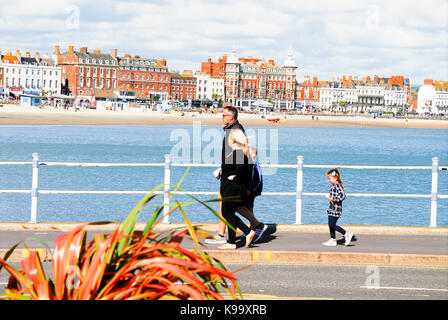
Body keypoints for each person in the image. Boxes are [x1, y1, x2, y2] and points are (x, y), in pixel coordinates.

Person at [206, 105, 267, 247]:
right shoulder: (231, 129)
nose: (221, 117)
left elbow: (241, 155)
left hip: (233, 179)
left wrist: (235, 175)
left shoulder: (236, 130)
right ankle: (237, 234)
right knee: (230, 208)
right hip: (228, 174)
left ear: (231, 117)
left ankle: (240, 233)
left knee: (229, 209)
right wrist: (223, 169)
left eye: (224, 115)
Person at [322, 168, 353, 246]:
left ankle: (346, 233)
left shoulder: (337, 186)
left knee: (332, 224)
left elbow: (343, 196)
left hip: (336, 209)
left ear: (335, 178)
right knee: (330, 224)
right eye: (328, 179)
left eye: (330, 179)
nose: (329, 180)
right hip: (332, 208)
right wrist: (330, 198)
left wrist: (333, 199)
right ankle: (333, 239)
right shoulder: (334, 186)